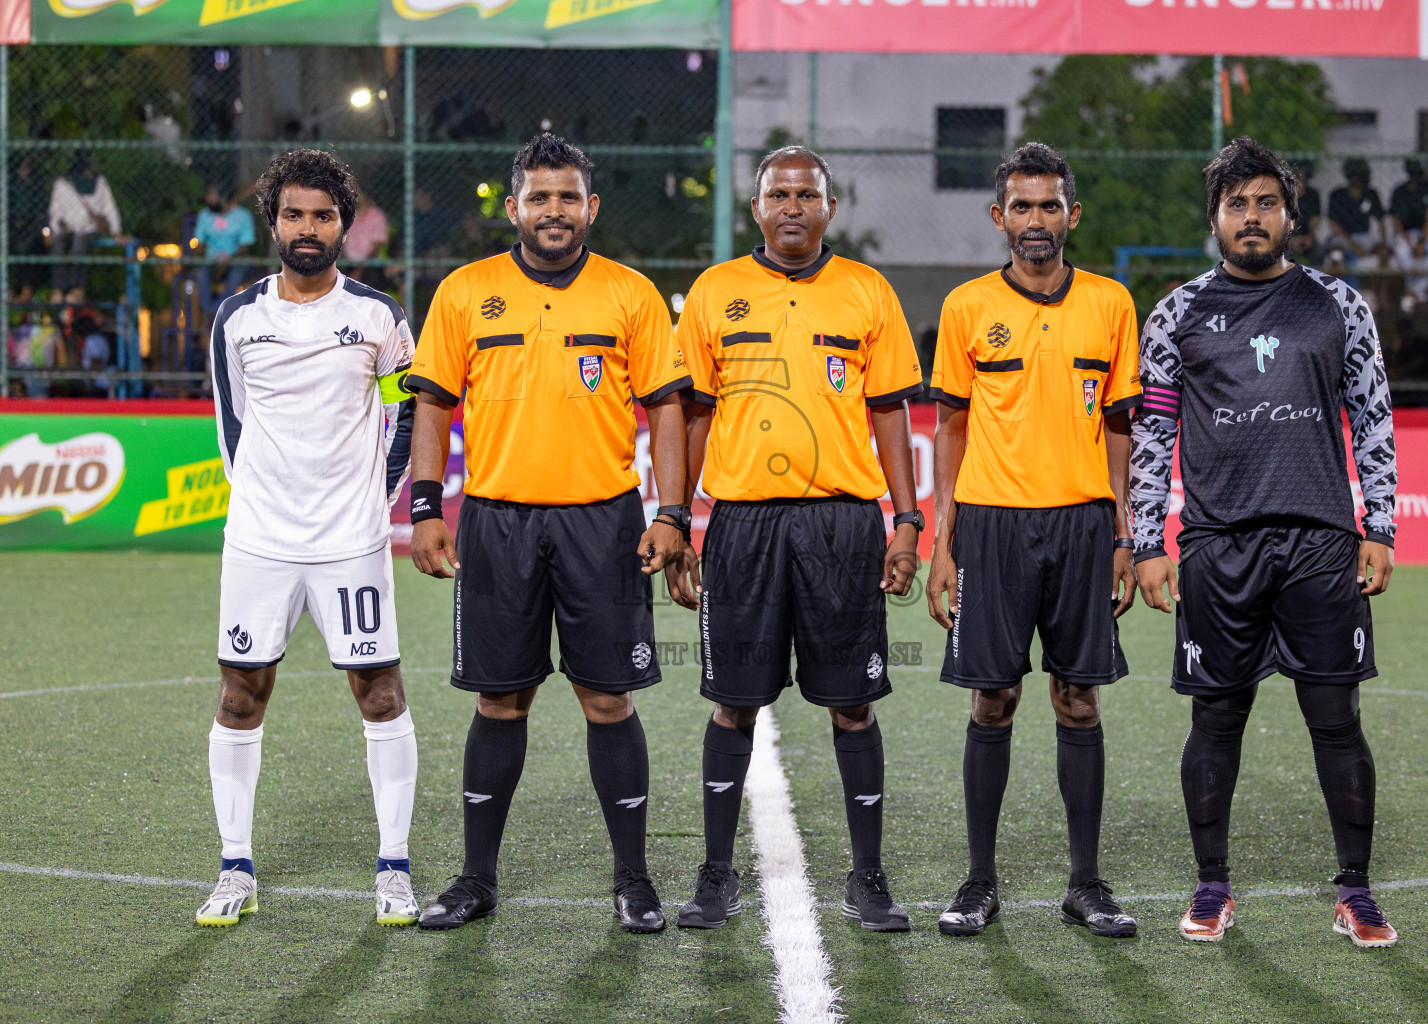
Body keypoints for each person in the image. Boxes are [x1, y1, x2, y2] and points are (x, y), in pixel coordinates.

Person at [404, 133, 693, 934]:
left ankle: (633, 881)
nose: (555, 211)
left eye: (569, 197)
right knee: (501, 700)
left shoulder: (630, 295)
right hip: (496, 521)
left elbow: (666, 407)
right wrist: (426, 508)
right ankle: (475, 880)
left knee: (607, 700)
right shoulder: (465, 292)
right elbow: (431, 404)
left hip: (603, 522)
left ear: (591, 207)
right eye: (540, 197)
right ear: (513, 207)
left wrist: (672, 513)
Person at [1131, 137, 1400, 949]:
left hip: (1321, 544)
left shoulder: (1339, 305)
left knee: (1337, 718)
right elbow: (1152, 432)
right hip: (1219, 546)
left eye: (1266, 203)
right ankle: (1212, 886)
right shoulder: (1176, 312)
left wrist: (1379, 525)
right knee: (1216, 719)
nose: (1252, 218)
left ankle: (1355, 891)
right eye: (1237, 204)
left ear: (1290, 214)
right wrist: (1147, 539)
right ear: (1215, 216)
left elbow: (1374, 417)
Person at [668, 145, 924, 932]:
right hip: (743, 523)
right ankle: (716, 877)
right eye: (777, 193)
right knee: (733, 706)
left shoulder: (867, 291)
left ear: (829, 207)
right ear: (756, 208)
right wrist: (676, 521)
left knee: (852, 704)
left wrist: (908, 522)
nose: (791, 206)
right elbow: (695, 415)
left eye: (805, 194)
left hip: (842, 523)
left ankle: (869, 878)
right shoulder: (715, 291)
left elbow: (890, 413)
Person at [924, 143, 1142, 939]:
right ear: (998, 218)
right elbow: (949, 428)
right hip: (991, 523)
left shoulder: (1113, 305)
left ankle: (1086, 885)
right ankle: (979, 881)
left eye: (1050, 206)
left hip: (1084, 525)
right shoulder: (965, 307)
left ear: (1072, 215)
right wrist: (944, 544)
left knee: (1078, 701)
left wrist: (1122, 529)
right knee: (995, 699)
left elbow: (1120, 426)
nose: (1036, 221)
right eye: (1022, 207)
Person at [198, 149, 420, 929]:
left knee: (381, 693)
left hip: (351, 543)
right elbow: (231, 428)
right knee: (240, 694)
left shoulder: (378, 315)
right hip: (259, 541)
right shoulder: (238, 317)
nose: (307, 227)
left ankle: (393, 867)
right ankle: (234, 865)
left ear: (344, 226)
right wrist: (261, 505)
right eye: (293, 213)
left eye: (323, 215)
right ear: (273, 221)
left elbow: (412, 413)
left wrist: (377, 498)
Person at [47, 151, 123, 300]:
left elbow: (109, 207)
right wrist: (56, 228)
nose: (89, 174)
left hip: (89, 228)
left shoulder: (100, 182)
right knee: (58, 244)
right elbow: (54, 210)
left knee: (79, 243)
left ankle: (77, 288)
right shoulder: (63, 184)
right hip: (68, 228)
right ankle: (58, 288)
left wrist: (116, 230)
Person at [193, 184, 256, 329]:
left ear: (225, 197)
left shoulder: (242, 215)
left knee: (238, 270)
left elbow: (245, 246)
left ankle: (219, 311)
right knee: (201, 271)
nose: (208, 199)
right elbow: (200, 243)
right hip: (211, 261)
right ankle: (209, 310)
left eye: (213, 195)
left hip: (234, 260)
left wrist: (227, 261)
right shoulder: (204, 215)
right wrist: (194, 257)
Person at [1388, 159, 1428, 313]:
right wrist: (1407, 239)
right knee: (1401, 249)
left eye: (1419, 170)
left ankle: (1412, 291)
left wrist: (1421, 242)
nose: (1417, 174)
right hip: (1406, 234)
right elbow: (1395, 220)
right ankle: (1418, 292)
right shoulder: (1399, 191)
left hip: (1426, 234)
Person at [1325, 159, 1388, 281]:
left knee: (1383, 253)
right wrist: (1352, 244)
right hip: (1343, 237)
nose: (1359, 179)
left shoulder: (1371, 194)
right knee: (1335, 254)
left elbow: (1381, 221)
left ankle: (1381, 296)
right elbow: (1333, 224)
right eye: (1356, 175)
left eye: (1362, 175)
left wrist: (1384, 243)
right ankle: (1332, 294)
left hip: (1365, 236)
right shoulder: (1337, 195)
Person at [1291, 159, 1323, 264]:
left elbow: (1314, 220)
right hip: (1289, 236)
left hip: (1307, 234)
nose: (1300, 177)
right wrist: (1291, 239)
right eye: (1297, 174)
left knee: (1319, 251)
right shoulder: (1285, 193)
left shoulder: (1313, 194)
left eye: (1303, 174)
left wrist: (1310, 237)